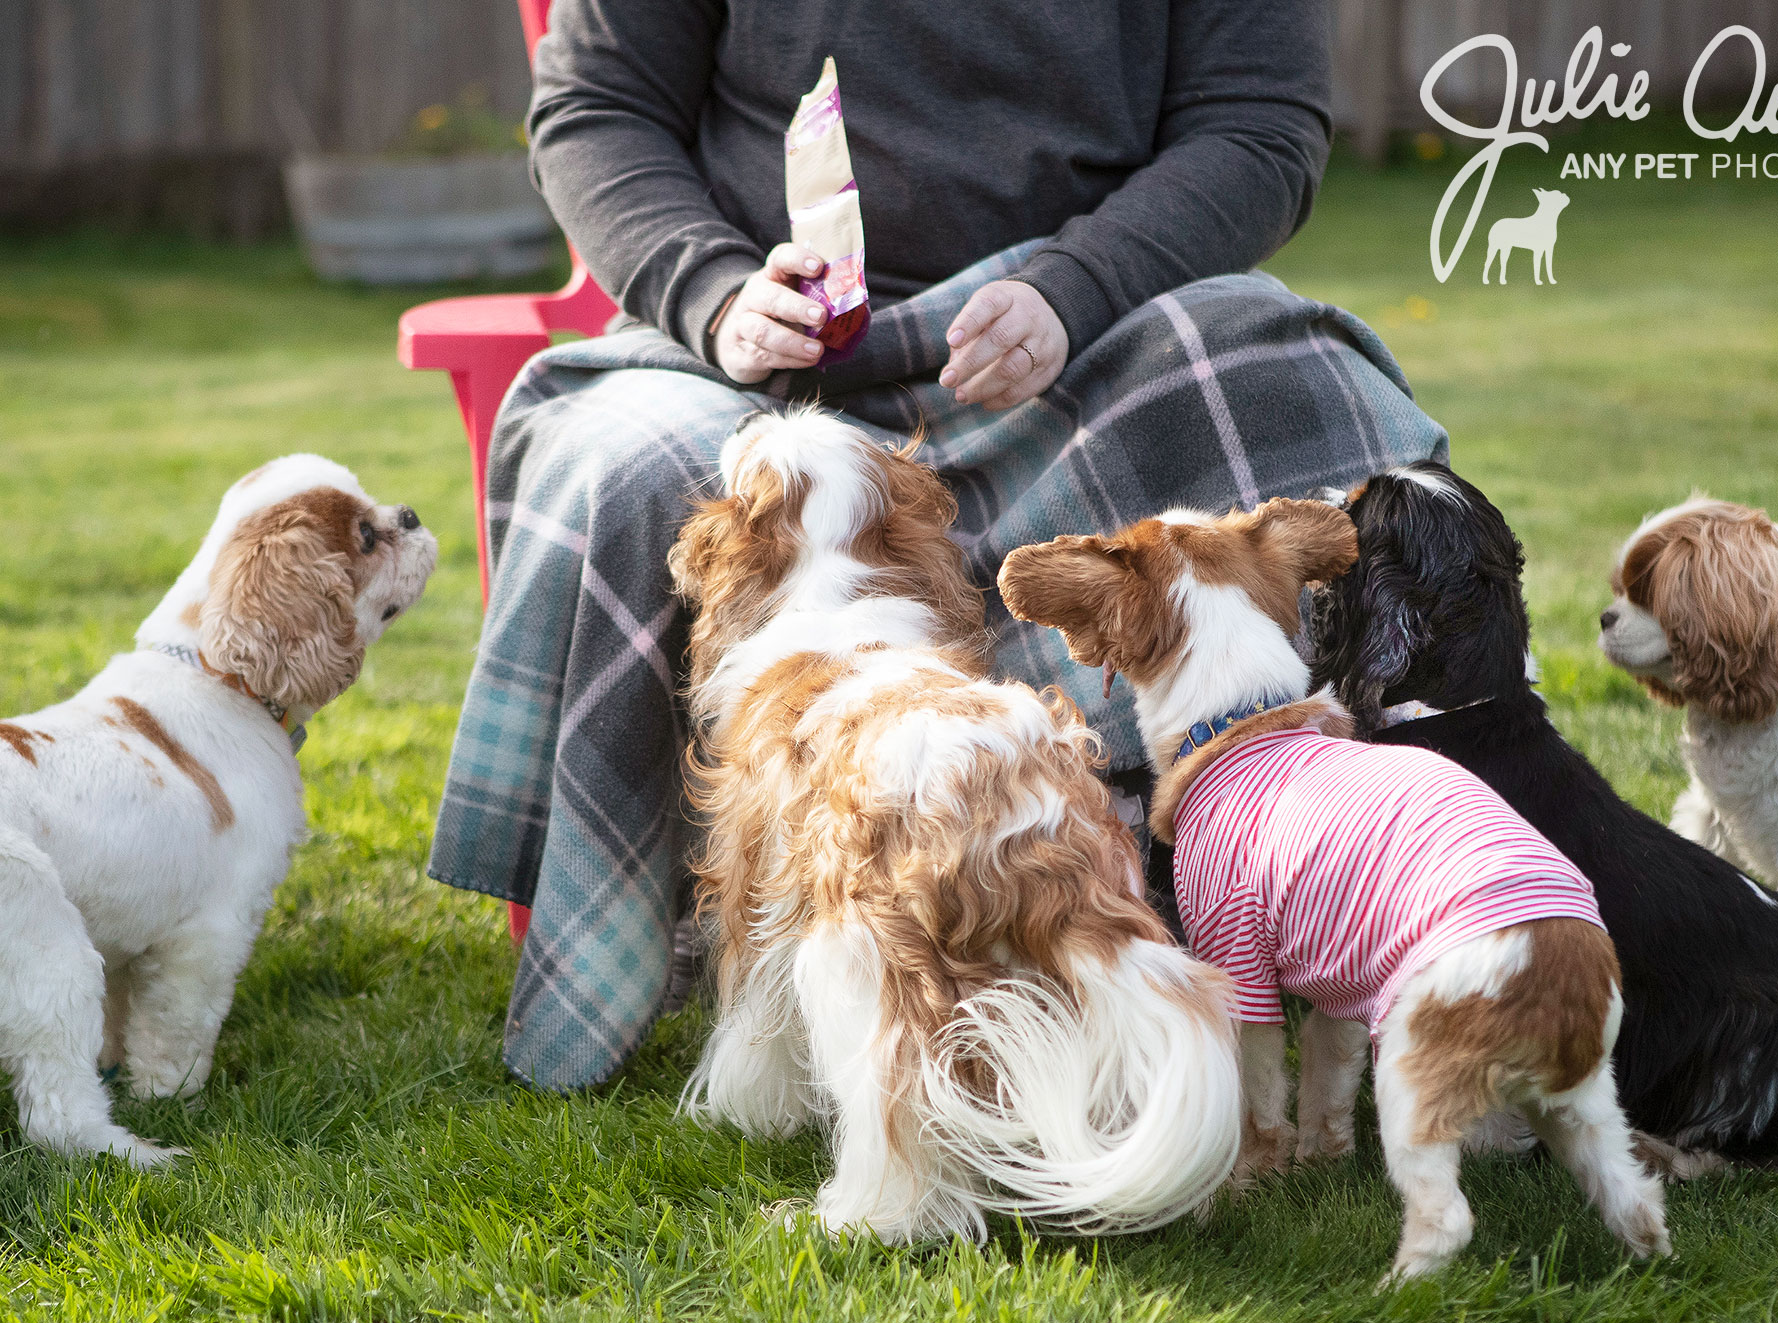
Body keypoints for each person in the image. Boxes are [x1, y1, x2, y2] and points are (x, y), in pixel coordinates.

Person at [429, 0, 1450, 1090]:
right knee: (624, 469)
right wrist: (712, 290)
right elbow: (597, 106)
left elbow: (1255, 125)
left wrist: (1078, 286)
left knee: (1312, 404)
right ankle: (683, 937)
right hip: (742, 350)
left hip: (1087, 328)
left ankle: (1414, 917)